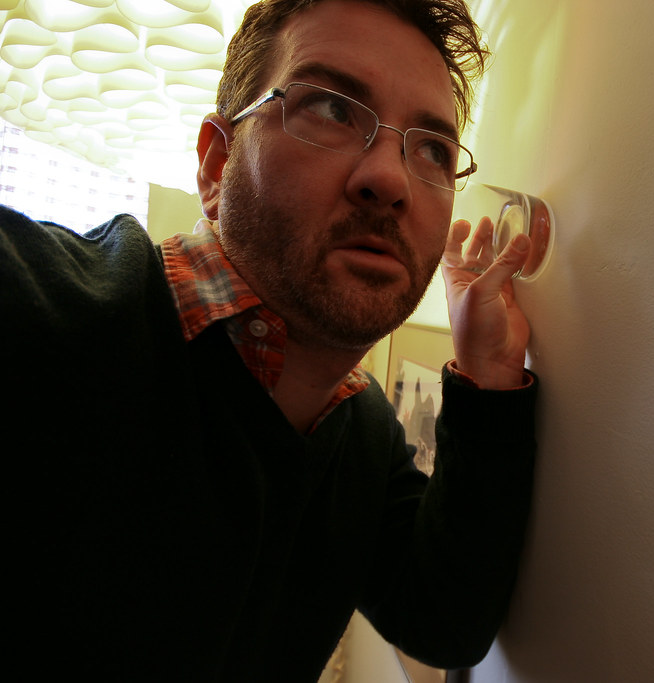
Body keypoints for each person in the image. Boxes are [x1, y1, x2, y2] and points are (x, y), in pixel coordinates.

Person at [2, 0, 537, 680]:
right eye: (333, 109)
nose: (389, 177)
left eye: (431, 148)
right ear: (215, 164)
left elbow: (444, 619)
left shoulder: (362, 428)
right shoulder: (45, 308)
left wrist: (490, 374)